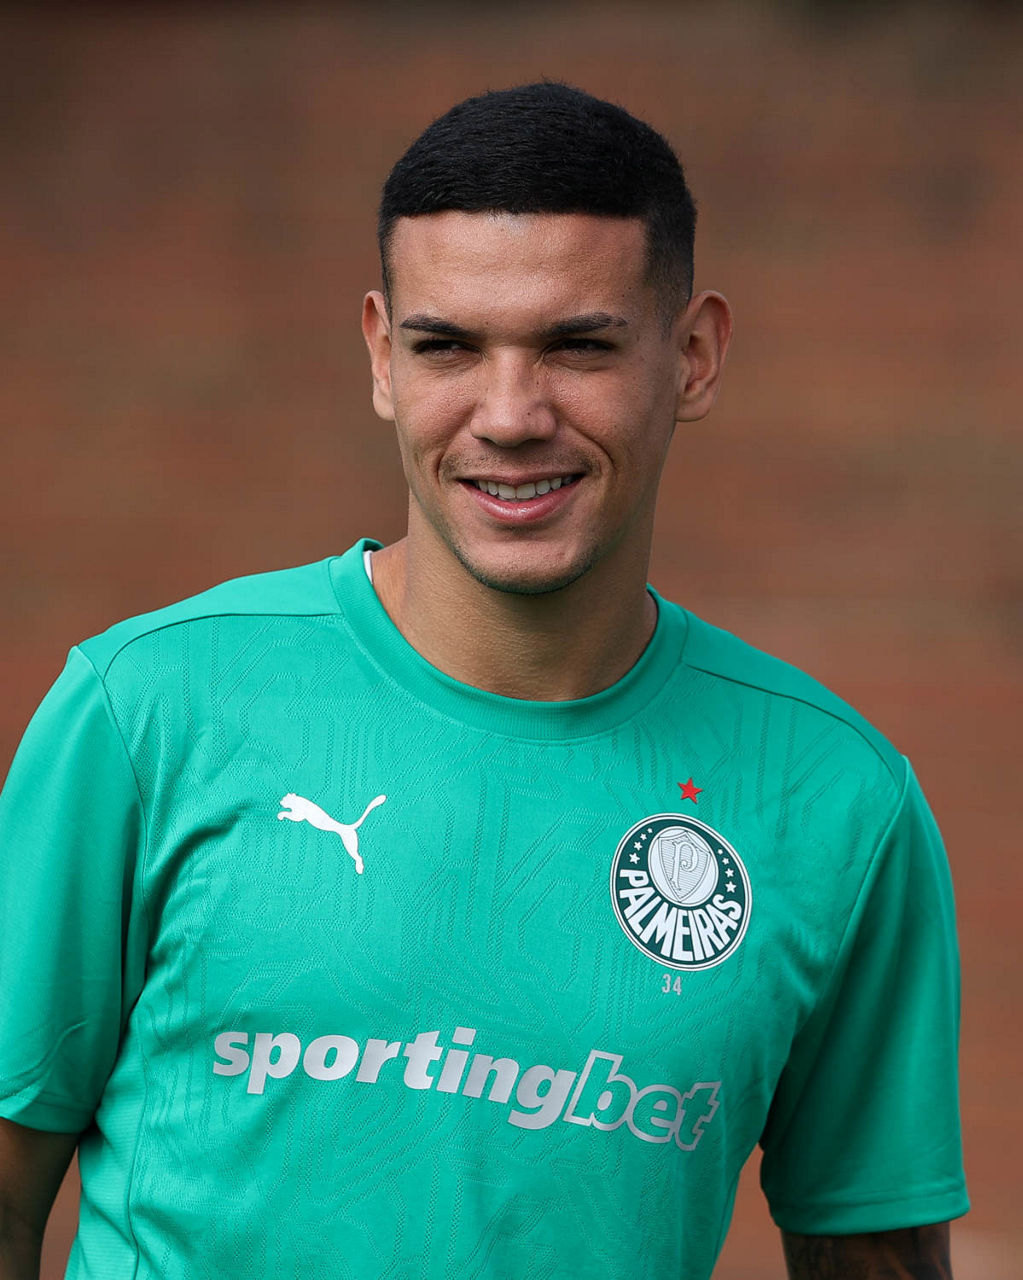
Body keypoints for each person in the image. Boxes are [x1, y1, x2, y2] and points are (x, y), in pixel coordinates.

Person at [0, 82, 968, 1280]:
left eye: (578, 345)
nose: (510, 416)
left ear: (694, 356)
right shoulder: (145, 709)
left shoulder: (838, 798)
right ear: (382, 356)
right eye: (448, 346)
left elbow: (878, 1257)